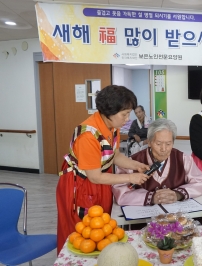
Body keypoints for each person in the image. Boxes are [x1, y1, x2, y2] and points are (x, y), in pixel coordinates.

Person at [56, 85, 151, 253]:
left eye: (128, 113)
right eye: (124, 114)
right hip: (82, 185)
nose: (127, 119)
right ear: (109, 111)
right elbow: (95, 177)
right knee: (85, 233)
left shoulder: (112, 126)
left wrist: (135, 165)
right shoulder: (88, 135)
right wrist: (130, 178)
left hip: (101, 180)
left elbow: (113, 155)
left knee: (103, 228)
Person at [113, 118, 202, 206]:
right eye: (158, 144)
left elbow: (201, 182)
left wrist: (178, 194)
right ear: (149, 142)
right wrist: (152, 198)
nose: (164, 149)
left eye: (168, 144)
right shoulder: (132, 162)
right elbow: (120, 192)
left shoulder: (183, 159)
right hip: (142, 220)